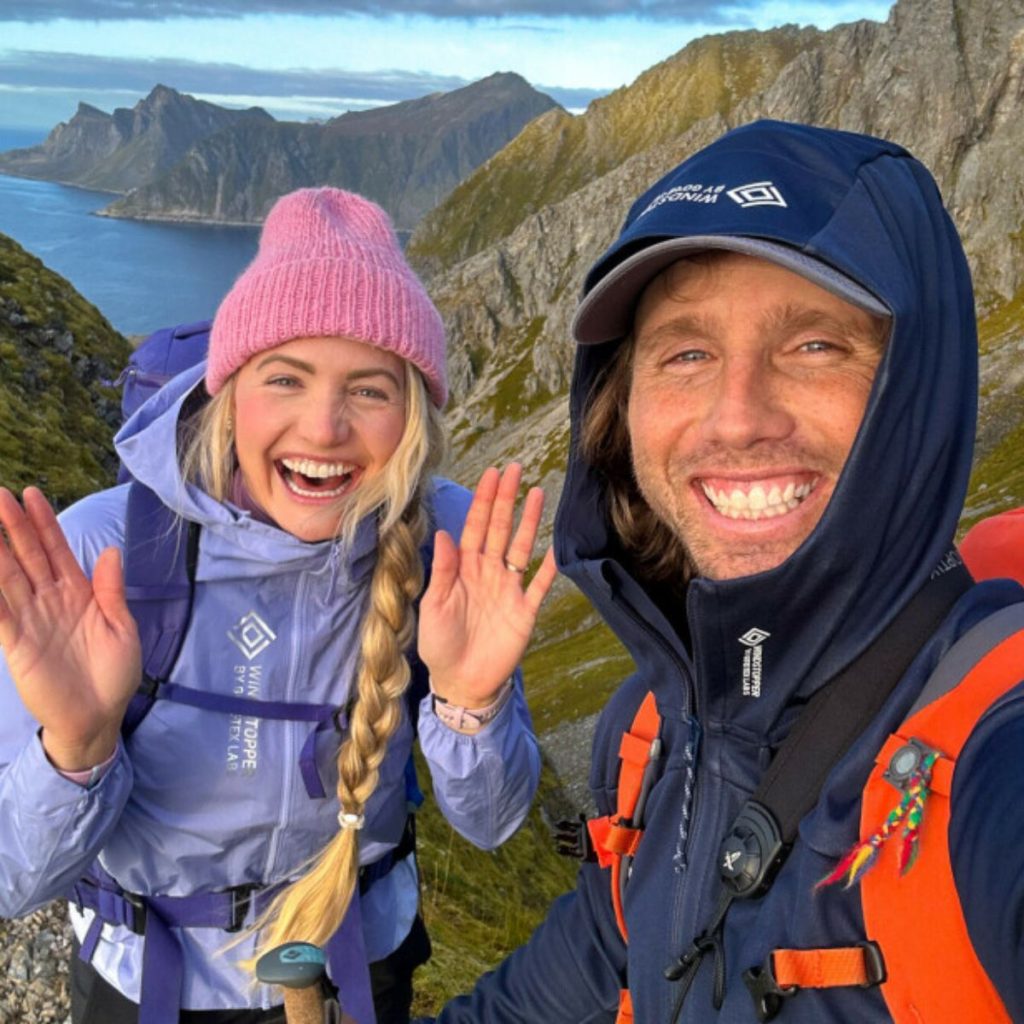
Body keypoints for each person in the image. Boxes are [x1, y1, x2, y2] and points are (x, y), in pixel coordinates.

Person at [418, 120, 1024, 1022]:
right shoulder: (655, 735)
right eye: (688, 353)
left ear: (916, 387)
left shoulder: (991, 748)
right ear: (621, 402)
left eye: (816, 344)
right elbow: (554, 993)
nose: (737, 418)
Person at [0, 187, 556, 1024]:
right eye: (285, 378)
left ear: (413, 413)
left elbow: (492, 824)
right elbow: (13, 879)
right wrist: (75, 748)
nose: (324, 427)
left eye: (370, 390)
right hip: (150, 984)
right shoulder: (102, 554)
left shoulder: (448, 546)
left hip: (356, 966)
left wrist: (470, 703)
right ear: (230, 393)